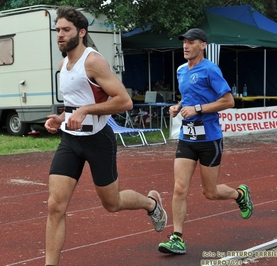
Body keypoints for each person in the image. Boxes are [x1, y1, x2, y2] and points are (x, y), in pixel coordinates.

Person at [44, 6, 167, 266]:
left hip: (98, 140)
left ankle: (151, 204)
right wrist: (61, 118)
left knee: (112, 203)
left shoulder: (93, 61)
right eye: (57, 30)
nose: (60, 35)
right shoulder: (63, 64)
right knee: (55, 205)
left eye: (66, 30)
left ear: (81, 31)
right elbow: (73, 104)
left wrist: (86, 110)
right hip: (70, 140)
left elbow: (124, 101)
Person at [158, 28, 253, 255]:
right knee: (179, 189)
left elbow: (228, 101)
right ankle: (177, 238)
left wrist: (198, 109)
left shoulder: (211, 69)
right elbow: (188, 96)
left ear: (203, 45)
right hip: (187, 138)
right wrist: (178, 107)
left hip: (209, 138)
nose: (186, 46)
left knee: (209, 192)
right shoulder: (181, 70)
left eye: (191, 42)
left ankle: (239, 195)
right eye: (184, 42)